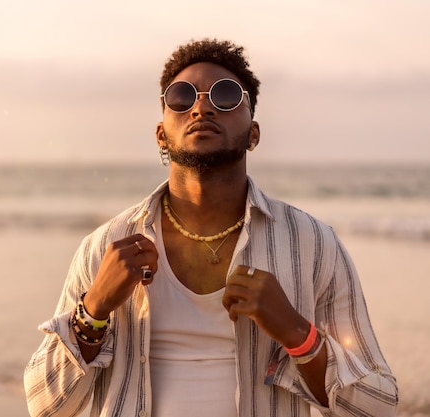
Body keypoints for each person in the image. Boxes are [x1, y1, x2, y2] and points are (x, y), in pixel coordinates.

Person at [24, 38, 398, 417]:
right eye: (182, 97)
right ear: (161, 134)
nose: (201, 107)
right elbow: (46, 405)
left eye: (225, 95)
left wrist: (299, 336)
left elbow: (377, 405)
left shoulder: (312, 244)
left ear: (253, 133)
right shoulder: (106, 246)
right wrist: (94, 310)